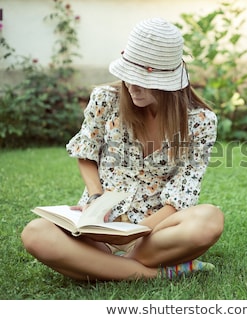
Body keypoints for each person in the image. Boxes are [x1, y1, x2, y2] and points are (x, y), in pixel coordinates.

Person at [21, 18, 224, 281]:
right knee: (35, 233)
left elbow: (183, 191)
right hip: (98, 227)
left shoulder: (200, 121)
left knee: (210, 219)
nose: (132, 85)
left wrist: (133, 233)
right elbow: (86, 152)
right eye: (128, 75)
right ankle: (154, 274)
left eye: (143, 79)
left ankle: (99, 267)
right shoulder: (106, 100)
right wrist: (96, 202)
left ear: (169, 81)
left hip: (155, 233)